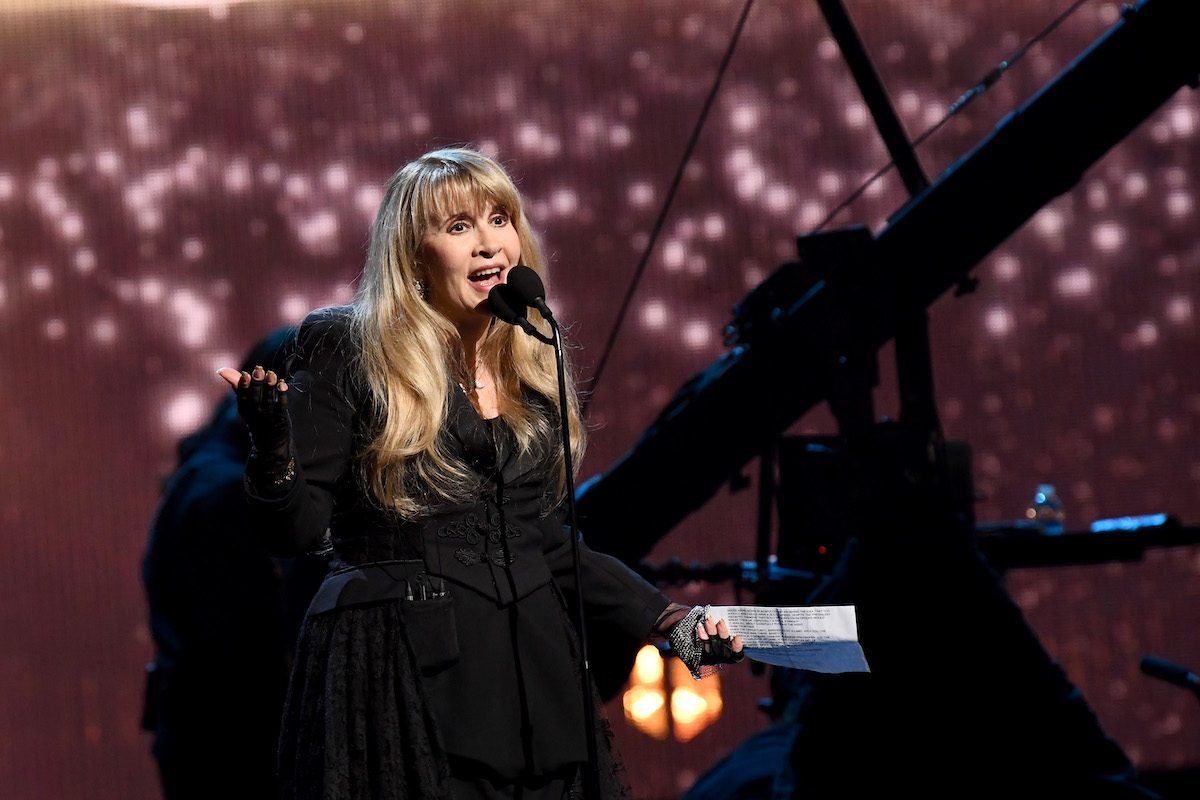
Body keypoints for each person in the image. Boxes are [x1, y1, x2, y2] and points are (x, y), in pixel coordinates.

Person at [218, 147, 743, 799]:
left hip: (532, 683)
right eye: (459, 226)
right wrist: (273, 444)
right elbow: (293, 532)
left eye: (500, 219)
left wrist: (666, 621)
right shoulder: (350, 345)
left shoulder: (530, 367)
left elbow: (549, 544)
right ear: (414, 257)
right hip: (402, 676)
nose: (489, 242)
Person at [142, 326, 329, 799]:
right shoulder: (228, 495)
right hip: (231, 745)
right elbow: (248, 647)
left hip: (205, 731)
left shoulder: (204, 476)